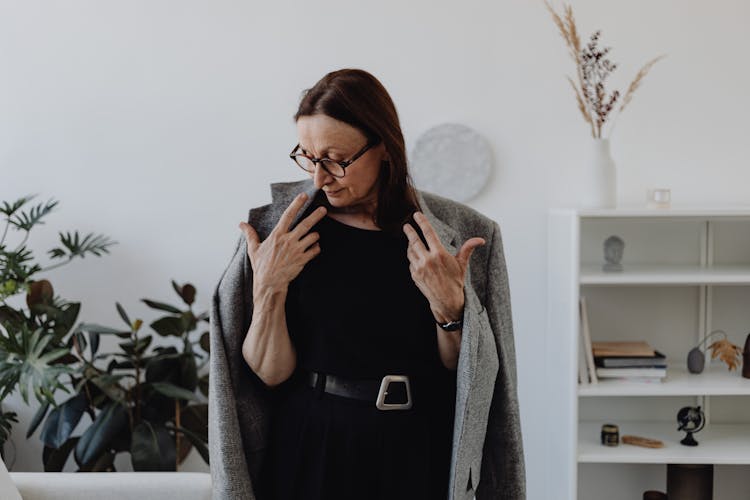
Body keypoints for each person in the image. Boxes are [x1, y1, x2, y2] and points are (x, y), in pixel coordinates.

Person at [209, 69, 525, 500]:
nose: (320, 177)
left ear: (384, 148)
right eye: (307, 156)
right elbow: (269, 374)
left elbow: (469, 375)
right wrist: (268, 287)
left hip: (418, 451)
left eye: (336, 159)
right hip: (311, 449)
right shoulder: (278, 233)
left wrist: (451, 309)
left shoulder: (464, 234)